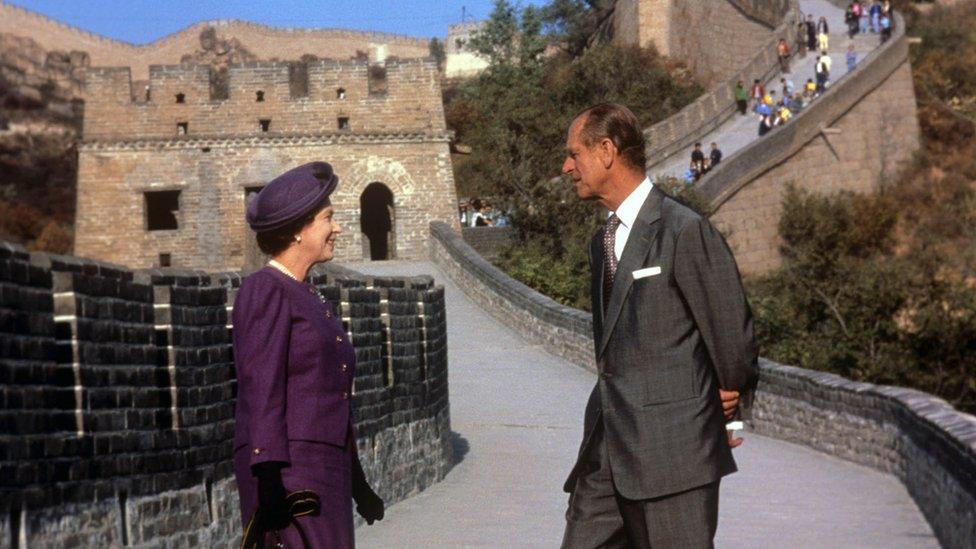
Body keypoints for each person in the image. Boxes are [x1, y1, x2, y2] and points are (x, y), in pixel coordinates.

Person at [560, 103, 757, 548]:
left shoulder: (683, 231)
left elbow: (730, 332)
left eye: (575, 153)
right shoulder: (601, 243)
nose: (567, 165)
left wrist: (730, 409)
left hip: (674, 456)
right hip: (607, 452)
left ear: (606, 151)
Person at [234, 162, 385, 548]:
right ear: (299, 230)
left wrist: (357, 482)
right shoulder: (266, 289)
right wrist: (268, 479)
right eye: (328, 218)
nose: (338, 227)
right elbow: (261, 387)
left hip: (325, 473)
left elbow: (328, 401)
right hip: (289, 475)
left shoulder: (308, 293)